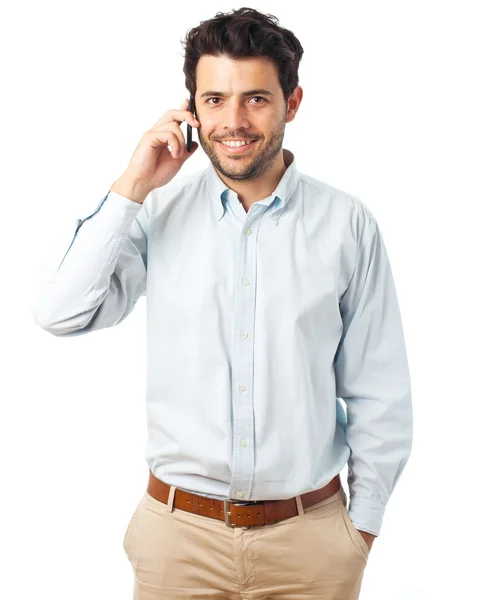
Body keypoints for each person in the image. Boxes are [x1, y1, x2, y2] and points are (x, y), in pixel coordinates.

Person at [31, 6, 413, 600]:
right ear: (190, 108)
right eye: (214, 100)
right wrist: (132, 185)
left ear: (293, 102)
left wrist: (359, 531)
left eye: (256, 99)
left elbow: (379, 390)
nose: (233, 121)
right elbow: (61, 312)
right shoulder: (156, 212)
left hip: (310, 544)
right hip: (176, 543)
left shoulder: (347, 225)